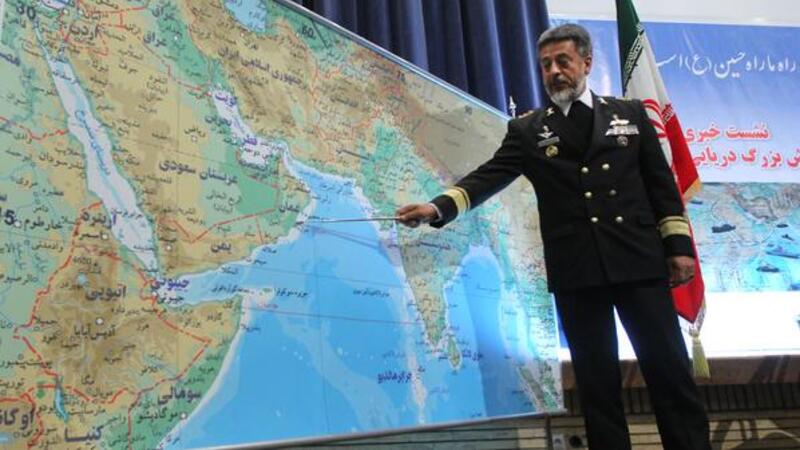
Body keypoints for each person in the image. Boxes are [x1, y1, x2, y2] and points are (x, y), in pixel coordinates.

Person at [395, 24, 711, 450]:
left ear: (586, 63)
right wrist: (438, 207)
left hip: (639, 263)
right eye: (545, 65)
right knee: (597, 388)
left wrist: (678, 249)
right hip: (578, 273)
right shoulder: (528, 131)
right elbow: (489, 176)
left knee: (670, 374)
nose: (554, 72)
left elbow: (662, 187)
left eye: (563, 61)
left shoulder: (631, 115)